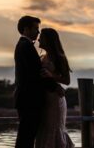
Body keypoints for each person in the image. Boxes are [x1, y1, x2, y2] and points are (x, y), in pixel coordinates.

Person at [14, 16, 65, 148]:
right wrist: (55, 87)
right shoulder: (25, 46)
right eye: (36, 29)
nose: (38, 32)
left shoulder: (24, 46)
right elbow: (36, 74)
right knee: (26, 137)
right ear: (26, 29)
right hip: (29, 100)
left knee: (27, 137)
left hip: (29, 99)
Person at [35, 28, 75, 148]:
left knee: (54, 128)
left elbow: (67, 81)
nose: (38, 38)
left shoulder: (59, 57)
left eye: (41, 36)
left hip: (55, 100)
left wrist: (52, 75)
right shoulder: (41, 56)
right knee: (44, 128)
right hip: (44, 99)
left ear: (48, 40)